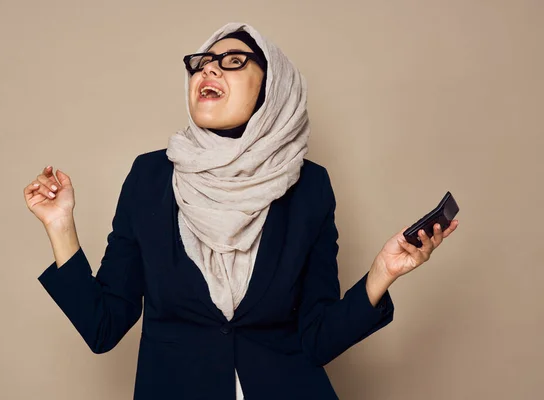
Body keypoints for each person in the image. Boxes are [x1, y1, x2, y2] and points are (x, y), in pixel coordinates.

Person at [23, 22, 459, 400]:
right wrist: (61, 226)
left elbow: (316, 340)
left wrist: (381, 274)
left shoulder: (309, 187)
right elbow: (104, 326)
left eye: (233, 61)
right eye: (203, 61)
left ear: (270, 89)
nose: (209, 68)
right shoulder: (149, 178)